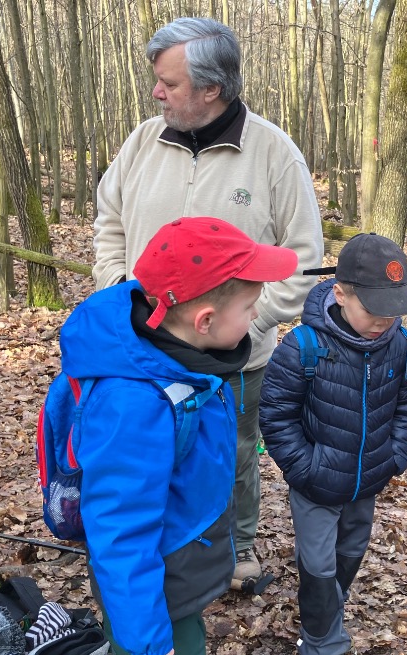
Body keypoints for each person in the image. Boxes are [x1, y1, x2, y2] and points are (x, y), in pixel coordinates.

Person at [92, 17, 324, 590]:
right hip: (142, 349)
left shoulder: (273, 153)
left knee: (232, 455)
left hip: (234, 358)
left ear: (212, 88)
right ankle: (155, 550)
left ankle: (236, 548)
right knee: (148, 451)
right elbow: (109, 221)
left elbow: (303, 257)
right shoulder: (142, 143)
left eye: (169, 83)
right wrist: (116, 286)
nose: (156, 92)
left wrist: (251, 323)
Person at [62, 216, 298, 655]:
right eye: (250, 307)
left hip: (174, 561)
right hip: (155, 582)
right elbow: (120, 527)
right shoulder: (136, 404)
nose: (257, 314)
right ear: (205, 319)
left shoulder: (177, 357)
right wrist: (145, 628)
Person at [259, 233, 407, 655]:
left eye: (393, 308)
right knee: (318, 566)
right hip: (315, 484)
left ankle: (326, 613)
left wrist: (395, 454)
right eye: (373, 309)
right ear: (340, 293)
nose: (384, 320)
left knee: (349, 555)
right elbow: (276, 416)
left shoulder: (402, 346)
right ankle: (323, 649)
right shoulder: (302, 347)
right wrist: (305, 469)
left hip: (367, 480)